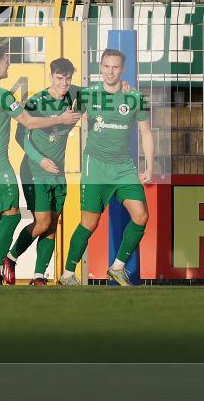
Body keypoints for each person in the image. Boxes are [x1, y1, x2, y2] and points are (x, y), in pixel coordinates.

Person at [0, 46, 81, 285]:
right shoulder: (4, 96)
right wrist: (61, 119)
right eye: (6, 62)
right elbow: (27, 122)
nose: (8, 66)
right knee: (13, 215)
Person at [59, 49, 157, 287]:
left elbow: (146, 132)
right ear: (100, 68)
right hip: (96, 166)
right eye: (106, 66)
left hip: (124, 167)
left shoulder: (134, 97)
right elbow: (67, 119)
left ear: (122, 70)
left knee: (141, 216)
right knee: (90, 223)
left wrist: (150, 164)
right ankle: (68, 273)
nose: (110, 71)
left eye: (115, 67)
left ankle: (117, 267)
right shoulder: (88, 95)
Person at [3, 58, 81, 286]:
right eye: (59, 78)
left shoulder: (76, 97)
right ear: (51, 77)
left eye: (68, 78)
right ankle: (10, 257)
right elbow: (20, 135)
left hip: (58, 171)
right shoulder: (37, 101)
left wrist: (122, 87)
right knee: (42, 222)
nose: (64, 83)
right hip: (35, 169)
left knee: (52, 223)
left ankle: (39, 275)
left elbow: (102, 91)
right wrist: (41, 159)